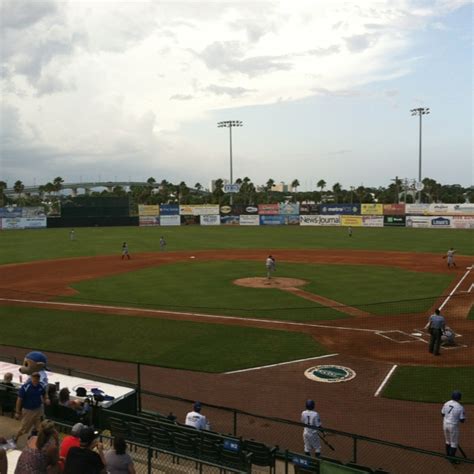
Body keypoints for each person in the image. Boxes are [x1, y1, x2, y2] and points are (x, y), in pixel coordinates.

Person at [14, 372, 50, 444]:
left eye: (37, 378)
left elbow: (44, 393)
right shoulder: (25, 387)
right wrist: (17, 412)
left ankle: (37, 442)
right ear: (32, 378)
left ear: (39, 379)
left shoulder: (41, 386)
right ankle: (15, 438)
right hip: (28, 411)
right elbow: (19, 400)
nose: (35, 379)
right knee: (24, 429)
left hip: (39, 410)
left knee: (40, 428)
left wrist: (46, 399)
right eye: (34, 377)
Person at [441, 391, 466, 462]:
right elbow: (462, 420)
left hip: (445, 424)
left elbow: (442, 414)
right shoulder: (460, 407)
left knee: (447, 441)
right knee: (454, 443)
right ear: (459, 398)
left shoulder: (446, 403)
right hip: (453, 426)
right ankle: (452, 459)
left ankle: (448, 455)